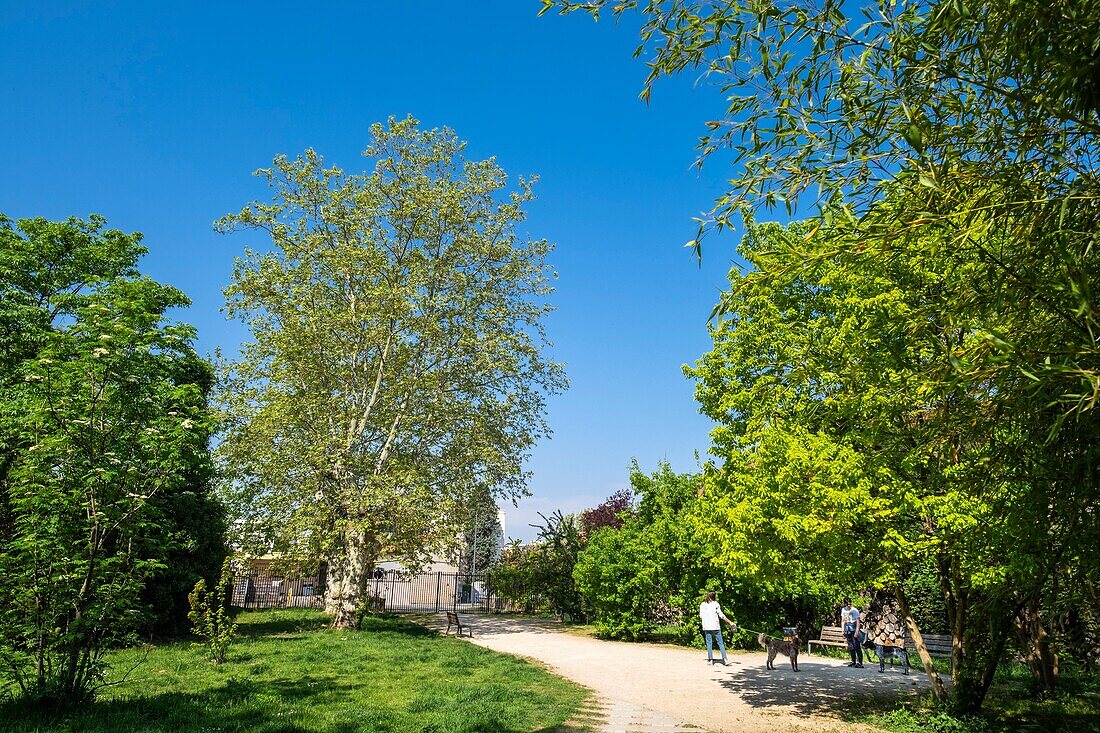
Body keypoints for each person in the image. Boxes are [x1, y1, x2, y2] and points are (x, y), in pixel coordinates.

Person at [699, 591, 737, 666]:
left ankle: (710, 660)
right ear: (714, 596)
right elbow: (721, 615)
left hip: (707, 627)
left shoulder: (702, 605)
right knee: (720, 643)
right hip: (716, 626)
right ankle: (725, 659)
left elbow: (701, 616)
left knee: (709, 643)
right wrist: (730, 622)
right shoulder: (716, 604)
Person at [841, 597, 864, 668]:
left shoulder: (855, 610)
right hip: (847, 630)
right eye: (848, 604)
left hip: (854, 629)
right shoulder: (843, 610)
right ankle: (853, 661)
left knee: (857, 646)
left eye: (850, 604)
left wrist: (857, 631)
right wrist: (842, 630)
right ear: (845, 604)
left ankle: (860, 662)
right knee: (851, 647)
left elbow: (858, 622)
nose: (849, 605)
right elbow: (843, 620)